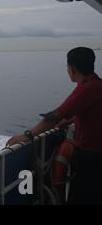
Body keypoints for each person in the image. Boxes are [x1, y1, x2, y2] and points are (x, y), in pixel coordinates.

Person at [6, 47, 102, 204]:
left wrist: (26, 135)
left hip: (92, 157)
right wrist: (69, 120)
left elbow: (54, 116)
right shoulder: (94, 84)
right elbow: (86, 110)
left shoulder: (88, 88)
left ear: (71, 68)